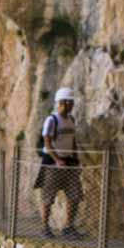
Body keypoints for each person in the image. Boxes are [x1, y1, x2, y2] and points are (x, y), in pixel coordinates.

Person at [34, 87, 82, 238]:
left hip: (68, 161)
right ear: (62, 102)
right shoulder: (52, 120)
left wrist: (76, 159)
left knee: (75, 195)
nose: (72, 105)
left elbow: (72, 141)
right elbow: (47, 142)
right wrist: (57, 160)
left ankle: (68, 227)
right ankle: (44, 227)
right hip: (52, 163)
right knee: (48, 196)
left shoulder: (71, 120)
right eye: (70, 102)